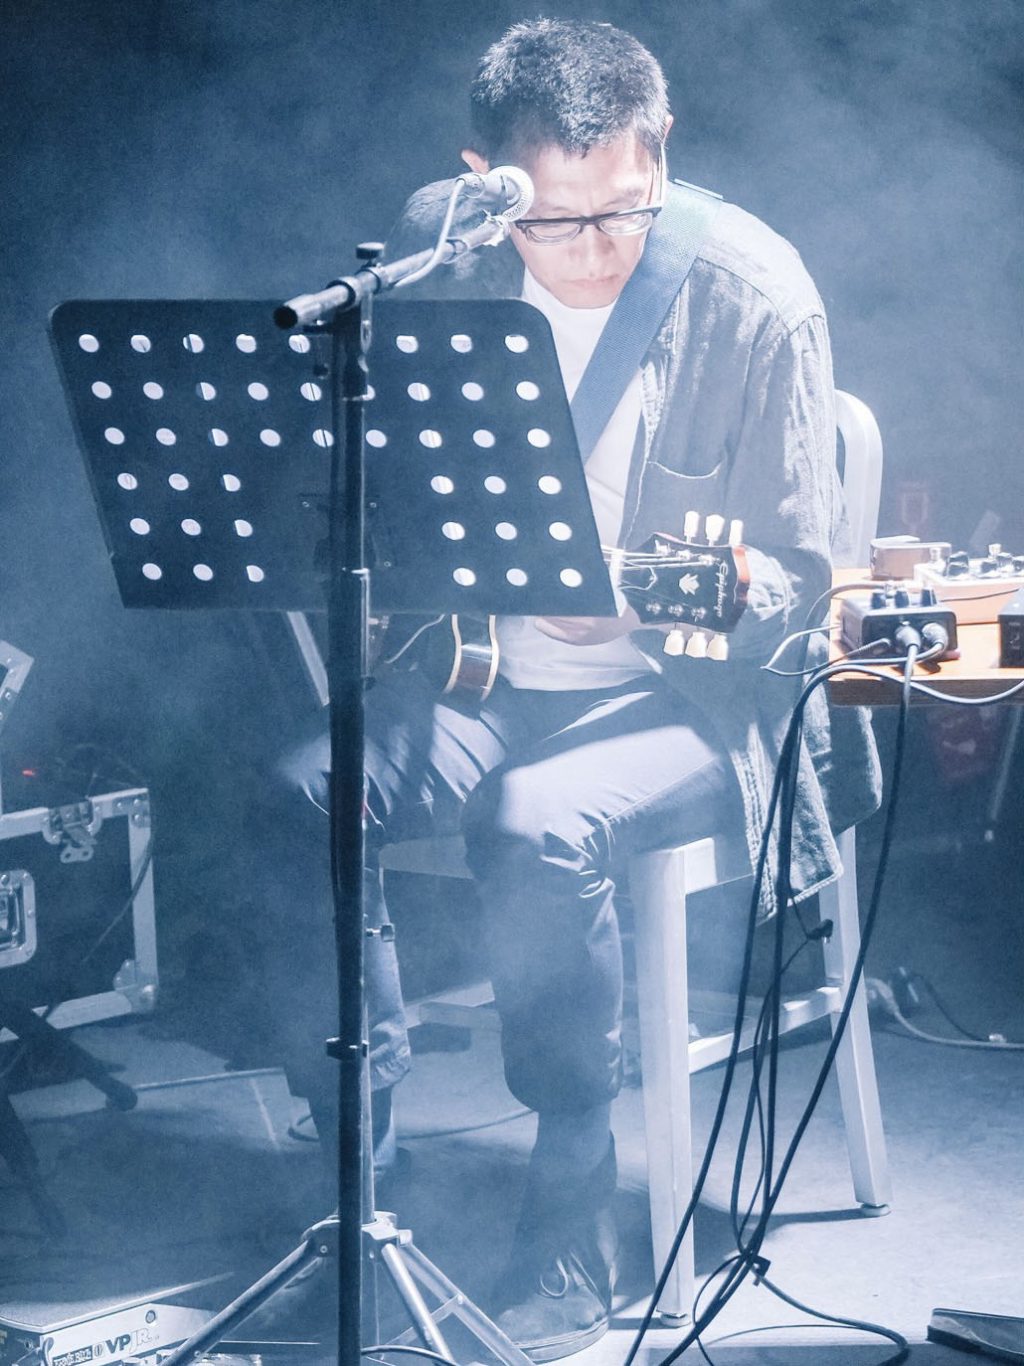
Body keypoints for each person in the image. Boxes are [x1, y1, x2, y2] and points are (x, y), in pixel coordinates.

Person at [276, 17, 881, 1361]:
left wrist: (665, 594)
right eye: (557, 221)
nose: (598, 248)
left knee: (537, 825)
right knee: (303, 794)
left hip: (688, 700)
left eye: (626, 208)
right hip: (481, 669)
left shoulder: (753, 293)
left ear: (659, 153)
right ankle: (364, 1189)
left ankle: (569, 1217)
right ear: (485, 181)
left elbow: (798, 578)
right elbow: (389, 478)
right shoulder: (438, 246)